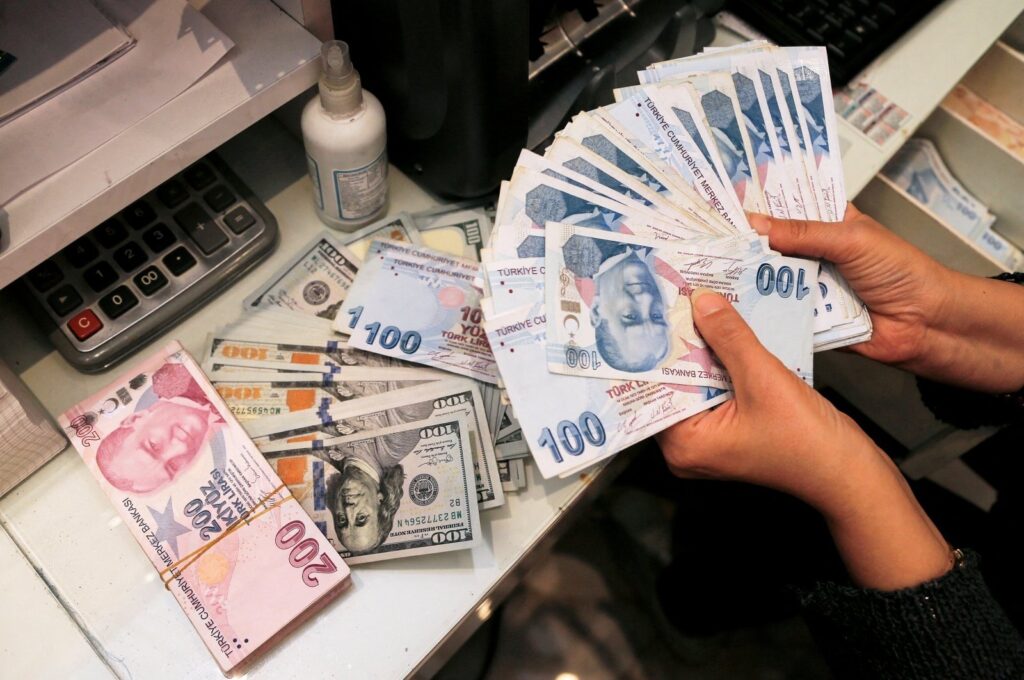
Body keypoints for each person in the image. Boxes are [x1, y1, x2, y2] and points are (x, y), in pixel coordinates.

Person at [655, 204, 1024, 678]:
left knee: (768, 539)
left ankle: (688, 607)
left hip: (976, 616)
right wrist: (941, 317)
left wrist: (851, 481)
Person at [97, 363, 223, 494]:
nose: (181, 447)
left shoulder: (175, 369)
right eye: (173, 466)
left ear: (136, 419)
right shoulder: (234, 419)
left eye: (154, 445)